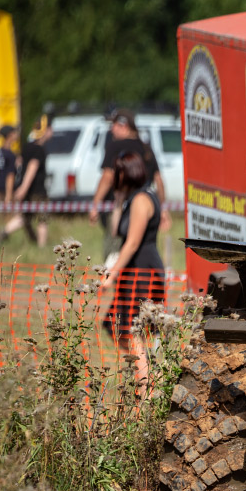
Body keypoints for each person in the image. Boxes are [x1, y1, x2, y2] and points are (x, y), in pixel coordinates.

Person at [100, 150, 165, 384]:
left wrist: (111, 275)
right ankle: (144, 371)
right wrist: (118, 200)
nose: (112, 178)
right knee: (113, 324)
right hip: (133, 273)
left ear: (125, 174)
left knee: (133, 329)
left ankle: (146, 384)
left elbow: (132, 242)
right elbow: (116, 231)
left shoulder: (141, 200)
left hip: (144, 272)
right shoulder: (131, 199)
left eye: (116, 174)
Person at [88, 110, 170, 243]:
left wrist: (95, 205)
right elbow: (159, 181)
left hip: (120, 209)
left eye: (113, 125)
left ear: (123, 126)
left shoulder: (115, 146)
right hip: (146, 207)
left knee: (115, 249)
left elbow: (108, 178)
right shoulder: (145, 147)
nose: (111, 129)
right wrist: (163, 208)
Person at [3, 114, 51, 247]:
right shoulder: (39, 149)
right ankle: (42, 247)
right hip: (37, 191)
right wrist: (24, 188)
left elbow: (19, 164)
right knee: (42, 220)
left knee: (24, 217)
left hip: (27, 190)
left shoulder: (27, 147)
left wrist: (21, 187)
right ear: (45, 131)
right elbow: (32, 167)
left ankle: (3, 233)